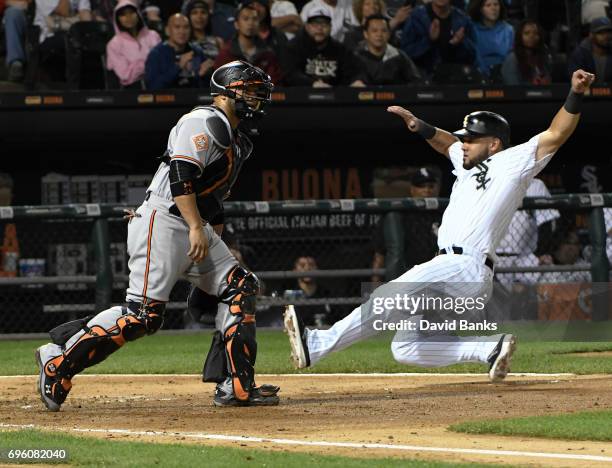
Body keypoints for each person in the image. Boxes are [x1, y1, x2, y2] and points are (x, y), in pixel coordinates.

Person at [284, 69, 595, 381]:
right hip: (461, 275)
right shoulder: (466, 162)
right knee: (405, 347)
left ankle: (318, 345)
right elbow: (446, 142)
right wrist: (420, 126)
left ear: (495, 143)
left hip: (464, 265)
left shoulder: (513, 163)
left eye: (471, 139)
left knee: (389, 295)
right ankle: (488, 349)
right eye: (465, 138)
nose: (464, 144)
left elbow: (556, 133)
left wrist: (576, 93)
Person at [36, 60, 281, 410]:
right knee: (143, 316)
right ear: (228, 90)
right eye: (251, 91)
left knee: (240, 286)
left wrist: (212, 238)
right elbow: (182, 174)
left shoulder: (239, 140)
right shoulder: (204, 120)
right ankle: (59, 361)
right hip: (164, 220)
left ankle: (236, 386)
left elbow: (211, 198)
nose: (258, 99)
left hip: (192, 222)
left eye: (259, 93)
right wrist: (197, 226)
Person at [372, 166, 440, 283]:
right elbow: (379, 256)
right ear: (412, 189)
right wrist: (373, 289)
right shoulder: (398, 215)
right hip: (407, 277)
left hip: (436, 277)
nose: (427, 190)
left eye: (430, 186)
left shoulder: (444, 214)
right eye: (421, 186)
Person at [284, 7, 365, 86]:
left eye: (324, 24)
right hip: (301, 95)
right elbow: (291, 74)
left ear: (330, 27)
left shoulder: (340, 49)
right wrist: (312, 84)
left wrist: (357, 80)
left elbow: (355, 70)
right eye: (315, 24)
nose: (320, 28)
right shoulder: (294, 47)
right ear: (307, 27)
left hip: (335, 96)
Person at [400, 0, 475, 79]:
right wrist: (429, 40)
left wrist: (459, 44)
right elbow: (406, 53)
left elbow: (472, 57)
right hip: (422, 78)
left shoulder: (463, 20)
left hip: (454, 78)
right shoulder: (416, 17)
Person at [214, 2, 283, 85]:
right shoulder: (225, 54)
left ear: (258, 24)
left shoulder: (268, 55)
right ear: (236, 24)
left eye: (254, 19)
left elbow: (274, 83)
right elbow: (219, 84)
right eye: (246, 19)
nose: (250, 23)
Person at [145, 13, 209, 90]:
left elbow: (203, 88)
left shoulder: (197, 51)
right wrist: (178, 67)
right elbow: (153, 87)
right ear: (167, 31)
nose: (182, 32)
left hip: (193, 99)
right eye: (177, 27)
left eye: (186, 27)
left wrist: (205, 74)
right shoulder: (157, 54)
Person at [106, 0, 162, 88]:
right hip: (132, 90)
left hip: (160, 84)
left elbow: (163, 65)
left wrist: (136, 66)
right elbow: (125, 76)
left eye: (131, 12)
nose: (128, 17)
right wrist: (148, 63)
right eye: (123, 15)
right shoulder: (114, 44)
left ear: (138, 14)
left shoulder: (153, 35)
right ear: (117, 19)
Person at [34, 0, 92, 83]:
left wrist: (62, 22)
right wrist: (76, 18)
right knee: (71, 42)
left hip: (73, 35)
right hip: (48, 36)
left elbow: (86, 20)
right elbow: (54, 20)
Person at [354, 13, 421, 85]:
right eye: (374, 31)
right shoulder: (356, 58)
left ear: (389, 34)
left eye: (384, 31)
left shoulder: (400, 56)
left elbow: (416, 83)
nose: (379, 34)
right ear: (366, 34)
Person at [467, 0, 513, 80]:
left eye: (496, 4)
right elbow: (473, 56)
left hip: (504, 74)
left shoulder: (508, 30)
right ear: (480, 9)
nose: (493, 8)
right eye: (488, 5)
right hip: (478, 74)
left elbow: (511, 58)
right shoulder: (472, 29)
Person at [282, 256, 334, 326]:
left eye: (311, 265)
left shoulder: (326, 293)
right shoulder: (289, 294)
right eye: (302, 265)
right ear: (295, 270)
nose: (307, 268)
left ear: (317, 269)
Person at [501, 19, 552, 85]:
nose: (531, 36)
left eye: (536, 33)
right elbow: (513, 87)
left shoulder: (542, 56)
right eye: (527, 33)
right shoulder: (512, 59)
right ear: (519, 36)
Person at [568, 17, 612, 84]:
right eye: (601, 33)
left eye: (608, 32)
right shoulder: (581, 54)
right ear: (591, 35)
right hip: (585, 92)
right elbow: (575, 79)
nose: (606, 36)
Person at [3, 0, 30, 82]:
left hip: (46, 12)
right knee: (12, 13)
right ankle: (16, 62)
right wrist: (7, 2)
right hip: (18, 11)